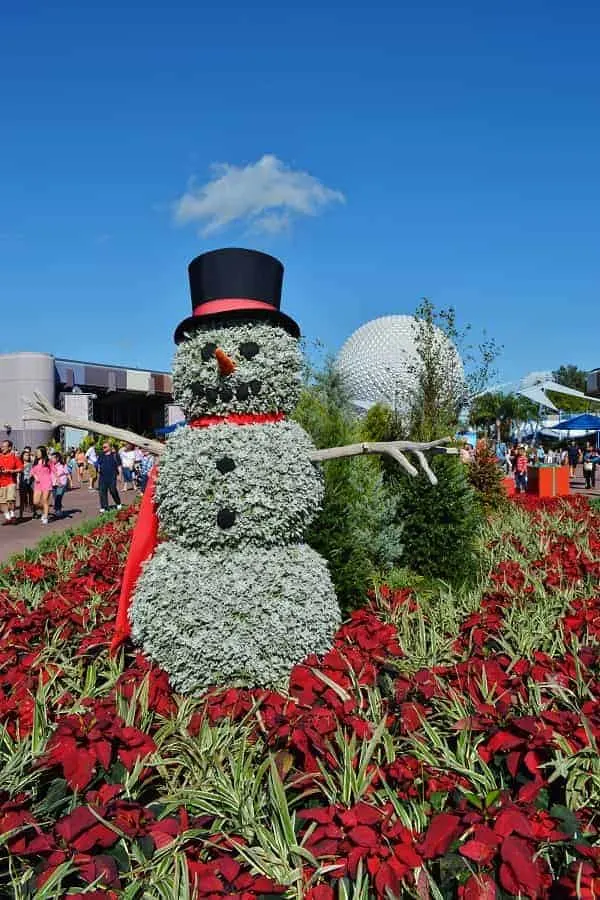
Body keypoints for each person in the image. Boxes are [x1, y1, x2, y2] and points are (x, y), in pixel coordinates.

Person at [0, 439, 24, 525]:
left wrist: (11, 471)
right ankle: (8, 517)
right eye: (2, 446)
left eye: (4, 446)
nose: (2, 448)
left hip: (11, 482)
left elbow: (21, 468)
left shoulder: (14, 457)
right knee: (2, 502)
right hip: (1, 483)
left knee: (10, 500)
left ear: (9, 447)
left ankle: (13, 516)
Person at [97, 441, 122, 512]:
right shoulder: (101, 455)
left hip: (112, 476)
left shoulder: (115, 455)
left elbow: (119, 466)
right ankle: (104, 507)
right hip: (102, 477)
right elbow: (98, 463)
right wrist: (98, 468)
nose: (103, 448)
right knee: (102, 491)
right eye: (103, 447)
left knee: (113, 490)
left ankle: (118, 503)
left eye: (105, 447)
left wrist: (120, 475)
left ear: (110, 447)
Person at [30, 446, 53, 524]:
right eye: (36, 452)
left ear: (43, 452)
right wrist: (35, 476)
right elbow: (32, 471)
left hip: (47, 482)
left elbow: (54, 470)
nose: (37, 453)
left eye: (39, 452)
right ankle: (45, 510)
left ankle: (45, 516)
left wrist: (58, 481)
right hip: (38, 483)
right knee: (35, 502)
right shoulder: (35, 461)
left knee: (45, 500)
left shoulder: (48, 461)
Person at [50, 451, 70, 517]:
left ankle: (58, 510)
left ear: (57, 458)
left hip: (61, 483)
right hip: (53, 483)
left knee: (59, 497)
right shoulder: (51, 466)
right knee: (55, 497)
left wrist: (70, 482)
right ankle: (58, 510)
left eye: (53, 458)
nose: (51, 459)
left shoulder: (63, 465)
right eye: (51, 458)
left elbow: (67, 474)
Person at [18, 448, 35, 520]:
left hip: (30, 483)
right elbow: (18, 474)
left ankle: (34, 512)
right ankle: (20, 515)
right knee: (22, 499)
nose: (27, 457)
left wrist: (31, 477)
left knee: (32, 499)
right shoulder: (20, 464)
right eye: (25, 455)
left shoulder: (31, 464)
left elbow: (33, 472)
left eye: (28, 455)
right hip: (23, 482)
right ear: (22, 456)